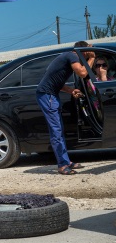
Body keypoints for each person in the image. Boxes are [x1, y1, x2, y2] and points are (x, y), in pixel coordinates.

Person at [36, 41, 96, 175]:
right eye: (89, 52)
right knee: (56, 131)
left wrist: (71, 91)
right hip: (47, 96)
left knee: (59, 130)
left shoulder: (67, 57)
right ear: (84, 51)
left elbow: (58, 83)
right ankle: (62, 165)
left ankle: (66, 161)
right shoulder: (72, 56)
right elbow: (82, 73)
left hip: (50, 95)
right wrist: (92, 58)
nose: (91, 54)